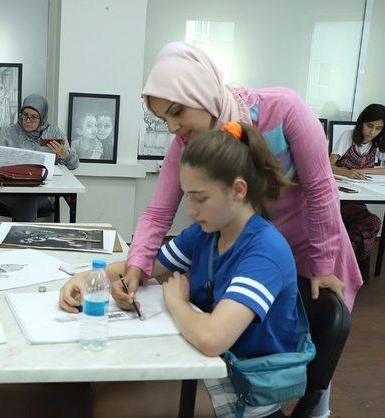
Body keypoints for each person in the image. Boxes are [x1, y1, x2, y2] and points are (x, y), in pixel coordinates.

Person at [122, 41, 358, 418]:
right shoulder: (189, 155)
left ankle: (312, 405)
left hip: (308, 242)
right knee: (251, 335)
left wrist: (323, 262)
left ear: (200, 91)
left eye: (177, 111)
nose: (173, 126)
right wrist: (135, 266)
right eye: (163, 118)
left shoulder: (284, 110)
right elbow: (157, 213)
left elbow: (320, 188)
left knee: (309, 350)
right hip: (244, 240)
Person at [60, 122, 298, 418]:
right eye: (188, 197)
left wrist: (176, 302)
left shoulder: (265, 251)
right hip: (210, 358)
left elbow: (213, 339)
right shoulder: (208, 231)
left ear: (238, 190)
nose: (191, 210)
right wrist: (87, 277)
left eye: (200, 198)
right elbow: (147, 266)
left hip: (248, 382)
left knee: (109, 407)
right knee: (101, 380)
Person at [0, 94, 79, 221]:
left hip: (41, 191)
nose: (28, 120)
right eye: (25, 115)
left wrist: (64, 154)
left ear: (43, 117)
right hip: (9, 189)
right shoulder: (8, 132)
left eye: (34, 117)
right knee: (26, 199)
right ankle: (25, 236)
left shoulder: (54, 132)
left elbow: (74, 165)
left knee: (29, 198)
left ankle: (20, 236)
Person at [330, 103, 385, 280]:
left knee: (372, 223)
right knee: (370, 223)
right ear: (362, 122)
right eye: (369, 126)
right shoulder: (348, 136)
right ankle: (353, 269)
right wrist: (348, 172)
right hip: (339, 199)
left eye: (378, 128)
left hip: (357, 198)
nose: (372, 132)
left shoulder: (377, 143)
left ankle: (344, 266)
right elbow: (328, 165)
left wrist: (366, 170)